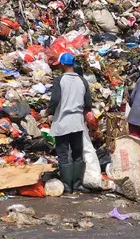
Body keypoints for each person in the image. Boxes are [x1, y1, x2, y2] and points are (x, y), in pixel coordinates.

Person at [48, 52, 93, 194]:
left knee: (62, 154)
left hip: (62, 122)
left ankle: (67, 186)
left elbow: (55, 100)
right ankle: (77, 184)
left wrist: (48, 111)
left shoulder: (59, 80)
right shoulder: (82, 81)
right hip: (78, 123)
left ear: (61, 64)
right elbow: (88, 104)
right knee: (77, 154)